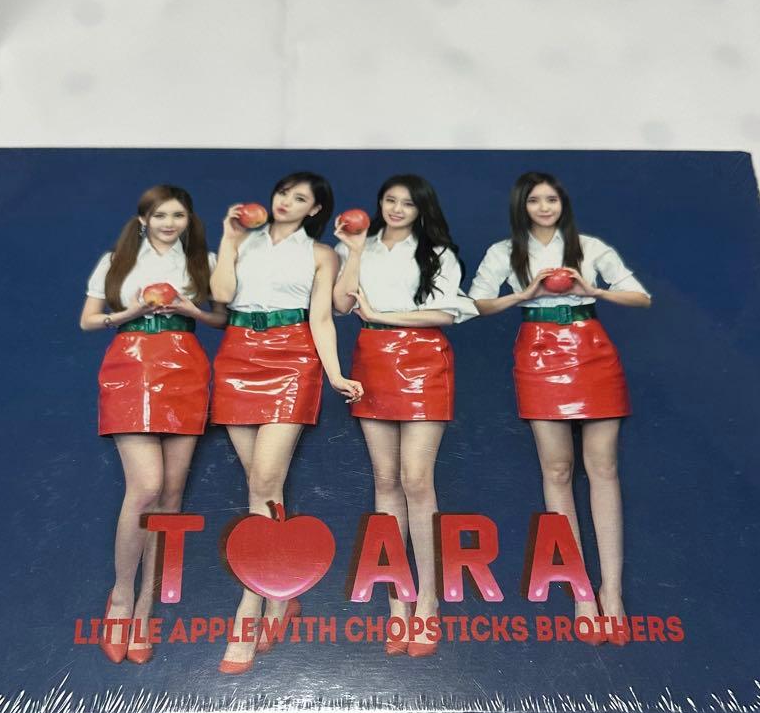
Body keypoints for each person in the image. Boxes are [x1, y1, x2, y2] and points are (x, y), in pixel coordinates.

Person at [469, 172, 651, 644]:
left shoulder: (590, 247)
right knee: (557, 470)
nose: (545, 207)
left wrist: (595, 289)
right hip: (537, 351)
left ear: (563, 203)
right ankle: (581, 593)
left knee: (603, 468)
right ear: (522, 206)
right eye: (535, 200)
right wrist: (525, 294)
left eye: (552, 199)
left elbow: (640, 296)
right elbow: (477, 303)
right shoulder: (504, 252)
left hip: (592, 348)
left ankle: (613, 593)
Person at [211, 171, 363, 674]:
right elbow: (220, 295)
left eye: (300, 198)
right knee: (261, 489)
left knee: (264, 482)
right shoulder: (242, 241)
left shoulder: (321, 255)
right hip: (237, 355)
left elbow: (322, 317)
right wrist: (228, 239)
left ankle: (248, 607)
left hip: (292, 359)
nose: (286, 202)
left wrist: (335, 374)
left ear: (314, 209)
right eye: (283, 193)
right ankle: (280, 593)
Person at [80, 184, 227, 664]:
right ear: (143, 219)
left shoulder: (203, 260)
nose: (169, 223)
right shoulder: (116, 260)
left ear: (188, 220)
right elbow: (88, 320)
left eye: (178, 215)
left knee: (171, 496)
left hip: (185, 365)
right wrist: (132, 312)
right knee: (145, 487)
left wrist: (189, 309)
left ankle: (145, 609)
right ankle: (122, 597)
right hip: (131, 363)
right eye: (160, 215)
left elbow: (221, 318)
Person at [333, 174, 476, 656]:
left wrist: (382, 315)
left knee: (417, 479)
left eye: (408, 204)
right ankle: (398, 603)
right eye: (390, 200)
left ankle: (429, 601)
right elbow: (340, 304)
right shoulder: (360, 246)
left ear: (421, 210)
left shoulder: (438, 253)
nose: (396, 209)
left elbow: (446, 315)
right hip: (372, 361)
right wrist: (354, 252)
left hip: (423, 361)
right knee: (385, 480)